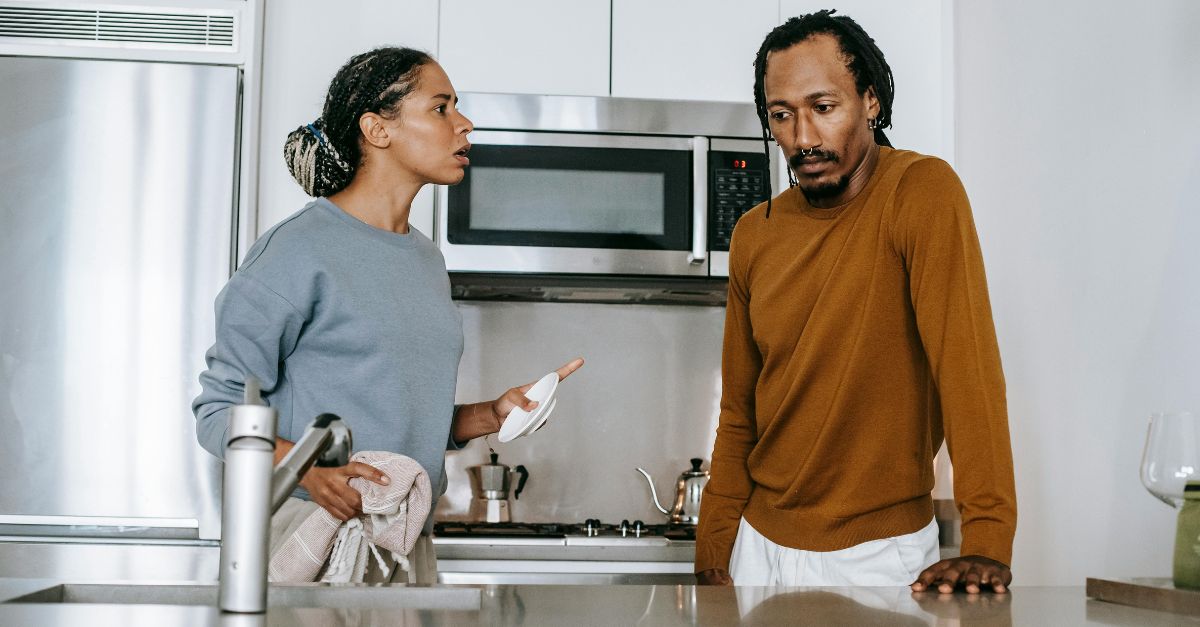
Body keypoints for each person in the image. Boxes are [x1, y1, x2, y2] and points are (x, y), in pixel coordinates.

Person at [192, 46, 583, 583]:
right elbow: (219, 413)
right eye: (441, 108)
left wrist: (489, 415)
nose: (464, 125)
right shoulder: (295, 253)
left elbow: (394, 418)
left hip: (403, 538)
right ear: (378, 129)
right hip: (312, 535)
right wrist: (305, 470)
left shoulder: (424, 259)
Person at [695, 11, 1016, 593]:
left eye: (824, 107)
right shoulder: (755, 233)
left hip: (881, 555)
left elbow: (967, 373)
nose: (803, 137)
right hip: (756, 548)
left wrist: (988, 542)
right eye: (782, 115)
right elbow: (739, 410)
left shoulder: (921, 192)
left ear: (870, 100)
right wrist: (715, 544)